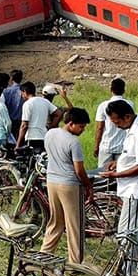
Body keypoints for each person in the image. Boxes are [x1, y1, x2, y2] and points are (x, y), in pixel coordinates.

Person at [99, 100, 138, 276]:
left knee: (126, 234)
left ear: (128, 116)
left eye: (118, 122)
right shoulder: (132, 129)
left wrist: (116, 175)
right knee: (134, 232)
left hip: (137, 191)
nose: (117, 126)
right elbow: (133, 156)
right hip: (132, 189)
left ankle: (125, 274)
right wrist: (119, 163)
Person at [40, 108, 93, 265]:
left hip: (51, 182)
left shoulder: (50, 133)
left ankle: (44, 254)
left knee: (55, 221)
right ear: (71, 124)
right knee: (74, 225)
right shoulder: (73, 142)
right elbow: (79, 170)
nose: (82, 130)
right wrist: (88, 186)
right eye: (81, 127)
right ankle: (75, 263)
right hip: (69, 185)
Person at [93, 78, 133, 168]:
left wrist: (96, 146)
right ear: (124, 90)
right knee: (120, 172)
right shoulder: (130, 104)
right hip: (122, 146)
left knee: (103, 174)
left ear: (111, 90)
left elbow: (100, 128)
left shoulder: (103, 105)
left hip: (106, 145)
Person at [16, 81, 58, 151]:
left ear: (25, 92)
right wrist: (51, 126)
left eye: (22, 93)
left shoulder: (27, 104)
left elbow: (24, 126)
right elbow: (58, 114)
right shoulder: (45, 101)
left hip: (32, 138)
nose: (22, 95)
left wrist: (18, 144)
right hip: (43, 137)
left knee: (31, 160)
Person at [3, 69, 24, 134]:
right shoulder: (24, 91)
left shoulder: (6, 91)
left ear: (11, 79)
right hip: (22, 120)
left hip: (9, 119)